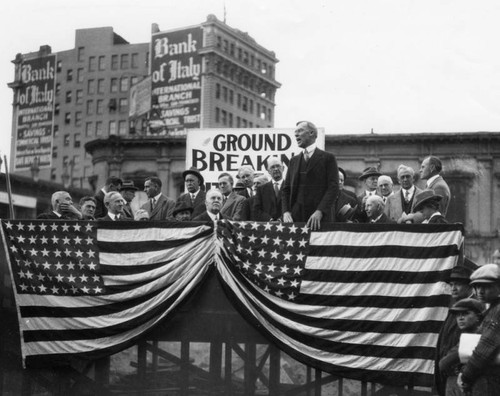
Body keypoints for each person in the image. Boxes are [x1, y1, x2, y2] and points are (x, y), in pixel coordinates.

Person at [282, 120, 339, 230]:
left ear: (312, 133)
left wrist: (320, 211)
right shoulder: (293, 161)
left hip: (320, 221)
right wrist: (286, 211)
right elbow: (286, 189)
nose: (296, 134)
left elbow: (333, 188)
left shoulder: (328, 158)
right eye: (295, 132)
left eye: (300, 131)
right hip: (296, 220)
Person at [458, 264, 500, 395]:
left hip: (490, 378)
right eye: (477, 286)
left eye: (486, 286)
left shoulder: (497, 310)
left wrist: (466, 375)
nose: (480, 291)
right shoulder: (492, 308)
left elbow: (485, 347)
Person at [435, 266, 474, 396]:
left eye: (458, 284)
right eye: (451, 284)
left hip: (463, 377)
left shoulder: (474, 308)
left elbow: (472, 344)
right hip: (449, 375)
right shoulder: (456, 308)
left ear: (469, 286)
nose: (453, 288)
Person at [439, 298, 485, 396]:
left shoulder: (477, 337)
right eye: (458, 315)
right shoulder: (463, 336)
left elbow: (444, 363)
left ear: (478, 317)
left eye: (465, 313)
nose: (460, 318)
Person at [254, 157, 285, 222]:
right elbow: (256, 209)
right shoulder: (261, 189)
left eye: (278, 166)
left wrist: (281, 219)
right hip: (267, 227)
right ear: (268, 171)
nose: (276, 169)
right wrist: (269, 220)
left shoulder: (291, 187)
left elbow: (294, 207)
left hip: (286, 226)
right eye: (272, 167)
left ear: (283, 168)